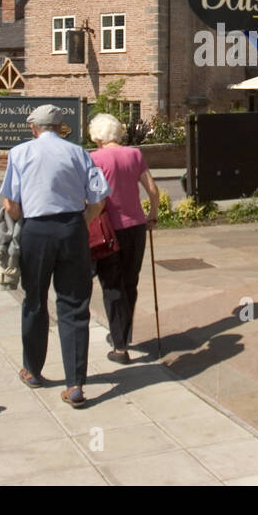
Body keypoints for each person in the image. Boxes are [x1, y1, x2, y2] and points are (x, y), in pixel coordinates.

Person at [0, 104, 111, 408]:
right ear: (61, 128)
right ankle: (75, 384)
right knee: (75, 306)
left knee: (35, 300)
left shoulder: (20, 153)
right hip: (73, 229)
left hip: (36, 230)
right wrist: (78, 223)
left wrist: (30, 222)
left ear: (35, 128)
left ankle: (33, 371)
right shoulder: (78, 153)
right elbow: (99, 199)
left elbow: (10, 204)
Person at [88, 113, 160, 364]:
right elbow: (152, 188)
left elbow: (93, 199)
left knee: (111, 285)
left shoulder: (93, 159)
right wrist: (152, 213)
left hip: (109, 230)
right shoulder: (134, 154)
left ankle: (120, 346)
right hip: (136, 227)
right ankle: (123, 333)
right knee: (130, 281)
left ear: (97, 135)